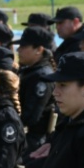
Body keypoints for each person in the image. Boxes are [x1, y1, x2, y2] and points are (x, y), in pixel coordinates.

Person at [13, 26, 57, 154]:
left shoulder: (41, 77)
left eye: (23, 47)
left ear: (39, 49)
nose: (18, 50)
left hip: (34, 140)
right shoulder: (31, 71)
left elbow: (30, 116)